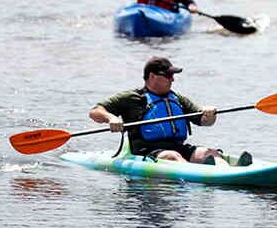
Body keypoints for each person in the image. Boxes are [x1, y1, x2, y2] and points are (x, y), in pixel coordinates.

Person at [90, 57, 251, 167]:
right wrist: (111, 118)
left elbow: (205, 121)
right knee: (173, 157)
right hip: (148, 151)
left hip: (178, 146)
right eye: (168, 75)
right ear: (152, 76)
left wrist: (210, 114)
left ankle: (230, 171)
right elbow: (95, 111)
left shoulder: (177, 98)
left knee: (211, 153)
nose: (172, 79)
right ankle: (202, 174)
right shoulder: (132, 98)